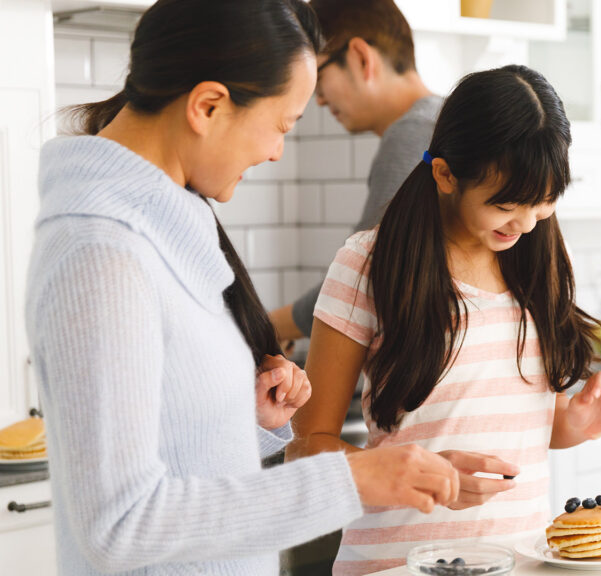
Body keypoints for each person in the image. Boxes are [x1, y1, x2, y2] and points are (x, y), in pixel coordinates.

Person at [25, 1, 458, 574]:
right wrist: (350, 478)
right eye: (282, 125)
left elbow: (177, 465)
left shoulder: (160, 230)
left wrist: (240, 417)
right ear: (208, 106)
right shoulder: (101, 256)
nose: (276, 151)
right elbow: (119, 525)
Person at [287, 65, 601, 575]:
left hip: (518, 562)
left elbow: (518, 427)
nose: (524, 224)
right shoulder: (368, 263)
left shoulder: (534, 263)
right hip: (394, 565)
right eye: (506, 205)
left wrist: (575, 425)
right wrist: (418, 473)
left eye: (542, 205)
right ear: (445, 175)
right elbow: (305, 449)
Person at [269, 0, 442, 348]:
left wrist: (269, 327)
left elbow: (362, 277)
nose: (316, 100)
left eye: (318, 76)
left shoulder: (412, 133)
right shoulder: (444, 117)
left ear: (362, 58)